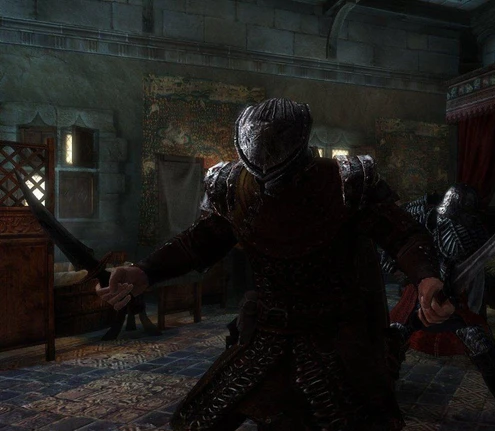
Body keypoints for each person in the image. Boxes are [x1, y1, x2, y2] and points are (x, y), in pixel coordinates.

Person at [95, 98, 455, 431]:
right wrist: (144, 271)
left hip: (336, 335)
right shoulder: (235, 186)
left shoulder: (345, 182)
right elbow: (198, 243)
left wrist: (426, 278)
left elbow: (402, 235)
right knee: (195, 422)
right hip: (269, 334)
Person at [383, 184, 495, 431]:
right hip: (418, 289)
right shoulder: (416, 215)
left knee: (479, 340)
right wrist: (408, 275)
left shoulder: (472, 231)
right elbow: (390, 253)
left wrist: (457, 299)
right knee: (393, 338)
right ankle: (383, 400)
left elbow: (473, 274)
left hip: (455, 296)